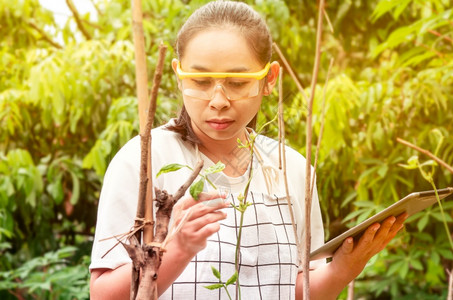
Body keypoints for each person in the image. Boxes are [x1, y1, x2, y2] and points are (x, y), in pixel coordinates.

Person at [89, 1, 408, 299]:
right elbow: (101, 294)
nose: (218, 100)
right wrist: (178, 250)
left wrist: (343, 269)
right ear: (178, 75)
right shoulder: (143, 161)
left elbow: (298, 289)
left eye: (237, 82)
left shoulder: (292, 170)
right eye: (200, 81)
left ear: (269, 79)